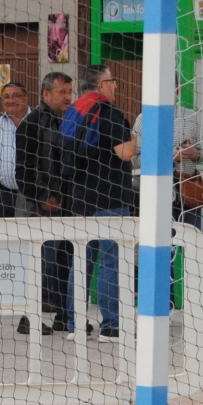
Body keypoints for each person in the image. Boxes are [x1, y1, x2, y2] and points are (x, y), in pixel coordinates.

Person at [60, 66, 138, 339]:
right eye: (113, 80)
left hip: (81, 199)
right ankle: (111, 326)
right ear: (102, 84)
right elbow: (125, 153)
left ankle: (75, 325)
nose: (116, 85)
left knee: (81, 263)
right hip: (110, 198)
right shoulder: (108, 112)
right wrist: (136, 138)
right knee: (110, 263)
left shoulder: (76, 111)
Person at [16, 71, 74, 336]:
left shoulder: (67, 121)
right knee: (40, 262)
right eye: (62, 92)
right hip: (38, 206)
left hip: (64, 205)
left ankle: (64, 315)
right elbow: (24, 170)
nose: (67, 97)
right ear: (46, 94)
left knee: (65, 260)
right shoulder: (31, 124)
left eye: (70, 92)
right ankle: (29, 317)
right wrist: (43, 197)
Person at [0, 82, 31, 218]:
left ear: (26, 98)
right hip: (3, 195)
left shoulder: (40, 122)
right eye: (6, 97)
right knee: (1, 232)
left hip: (33, 195)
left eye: (16, 95)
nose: (11, 100)